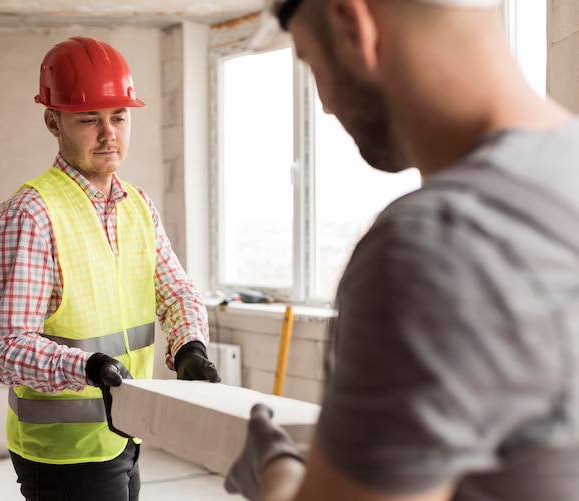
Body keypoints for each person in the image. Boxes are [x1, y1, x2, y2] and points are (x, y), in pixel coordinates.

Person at [224, 0, 579, 500]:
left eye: (308, 60)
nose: (322, 103)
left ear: (353, 24)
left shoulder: (440, 248)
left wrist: (276, 470)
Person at [0, 36, 220, 501]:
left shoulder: (137, 205)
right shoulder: (30, 215)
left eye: (119, 117)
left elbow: (175, 292)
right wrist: (87, 367)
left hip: (124, 435)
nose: (109, 133)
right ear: (54, 121)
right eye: (89, 119)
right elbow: (3, 348)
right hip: (64, 454)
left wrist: (190, 344)